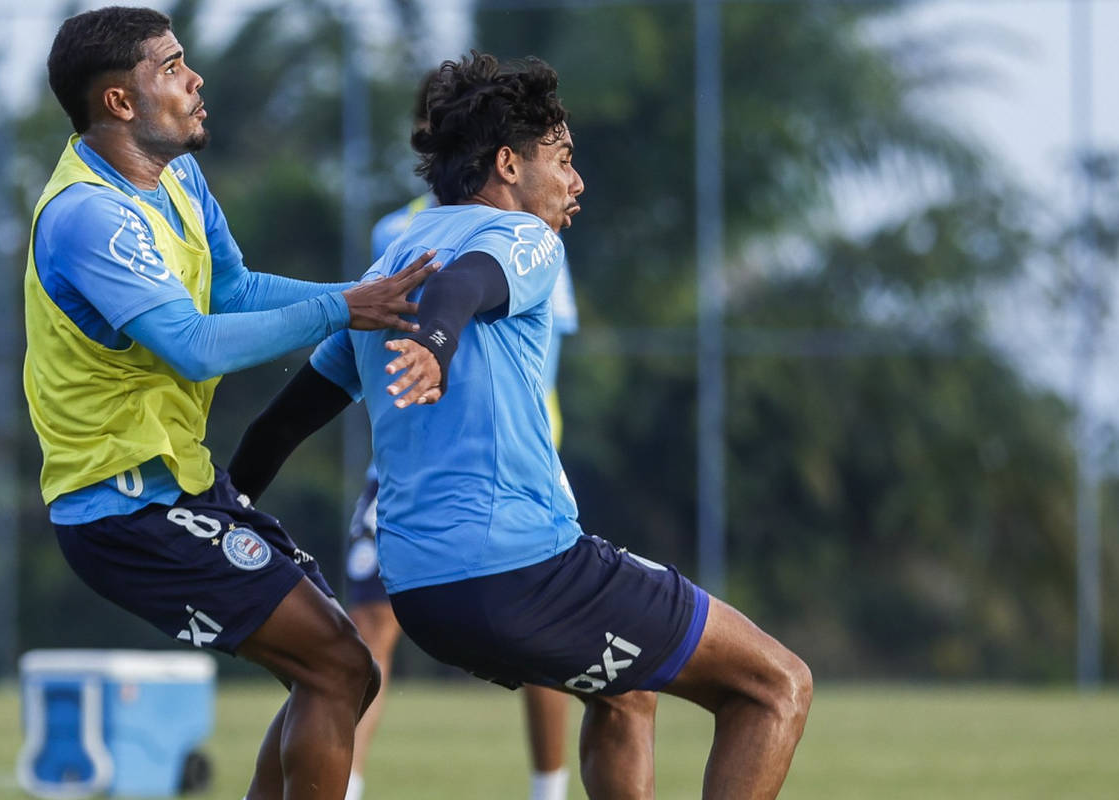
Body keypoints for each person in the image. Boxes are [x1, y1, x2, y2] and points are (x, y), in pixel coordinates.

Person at [228, 52, 812, 798]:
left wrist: (223, 503)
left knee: (626, 690)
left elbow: (283, 422)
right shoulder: (526, 237)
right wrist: (436, 348)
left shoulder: (389, 265)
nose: (576, 182)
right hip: (521, 570)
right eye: (563, 159)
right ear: (508, 164)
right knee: (775, 685)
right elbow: (468, 287)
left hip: (424, 593)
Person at [22, 8, 439, 799]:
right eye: (173, 66)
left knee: (338, 668)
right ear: (119, 102)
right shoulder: (90, 217)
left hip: (177, 486)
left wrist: (374, 300)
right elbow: (196, 343)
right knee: (340, 664)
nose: (195, 78)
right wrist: (351, 307)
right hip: (121, 510)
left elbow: (237, 290)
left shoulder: (175, 173)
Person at [336, 193, 579, 800]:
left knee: (550, 631)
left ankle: (547, 791)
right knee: (367, 623)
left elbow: (538, 342)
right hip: (409, 464)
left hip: (518, 467)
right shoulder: (394, 230)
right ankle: (346, 786)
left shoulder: (535, 231)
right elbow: (377, 340)